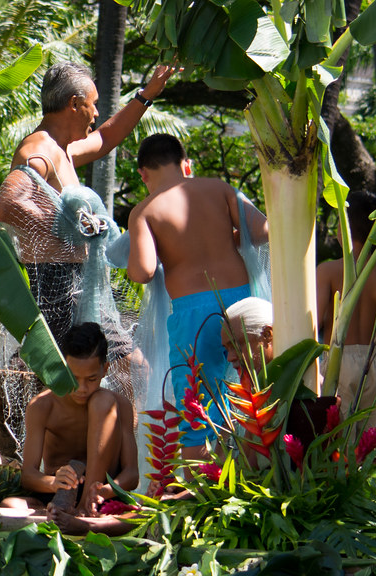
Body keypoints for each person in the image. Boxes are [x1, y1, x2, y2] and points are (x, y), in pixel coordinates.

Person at [0, 61, 177, 347]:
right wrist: (68, 225)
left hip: (80, 282)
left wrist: (147, 95)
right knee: (110, 370)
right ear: (75, 104)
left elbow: (104, 138)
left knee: (122, 368)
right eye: (93, 104)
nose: (97, 112)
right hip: (54, 283)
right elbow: (6, 204)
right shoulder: (38, 150)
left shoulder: (61, 148)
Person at [126, 134, 269, 463]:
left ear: (143, 174)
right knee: (251, 398)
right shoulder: (218, 188)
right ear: (185, 164)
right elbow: (262, 230)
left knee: (198, 412)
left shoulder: (144, 212)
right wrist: (224, 238)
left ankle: (203, 501)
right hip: (241, 305)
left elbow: (143, 271)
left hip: (195, 314)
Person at [1, 323, 139, 518]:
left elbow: (132, 475)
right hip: (57, 495)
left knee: (103, 401)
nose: (82, 388)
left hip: (103, 498)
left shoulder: (120, 405)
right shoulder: (42, 405)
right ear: (62, 369)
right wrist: (54, 483)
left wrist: (101, 492)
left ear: (105, 369)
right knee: (10, 505)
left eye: (91, 379)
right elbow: (28, 476)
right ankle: (63, 513)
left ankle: (83, 509)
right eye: (74, 378)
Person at [316, 190, 376, 462]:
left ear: (342, 228)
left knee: (336, 442)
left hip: (336, 361)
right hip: (373, 359)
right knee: (374, 443)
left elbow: (316, 321)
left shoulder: (328, 271)